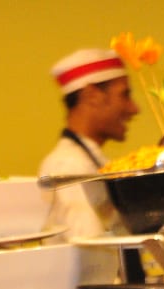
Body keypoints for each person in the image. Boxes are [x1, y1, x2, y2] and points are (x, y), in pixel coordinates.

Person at [40, 48, 140, 245]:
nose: (134, 108)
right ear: (92, 95)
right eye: (124, 95)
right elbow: (93, 247)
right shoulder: (68, 166)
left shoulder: (88, 161)